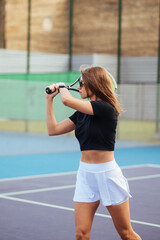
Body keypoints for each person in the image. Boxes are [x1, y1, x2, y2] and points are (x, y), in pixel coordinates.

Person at [45, 65, 142, 240]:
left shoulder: (107, 109)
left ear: (93, 84)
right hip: (85, 175)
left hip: (108, 175)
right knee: (81, 234)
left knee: (126, 234)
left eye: (82, 83)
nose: (79, 87)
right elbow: (53, 130)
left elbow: (67, 100)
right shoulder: (81, 113)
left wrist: (61, 87)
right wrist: (49, 100)